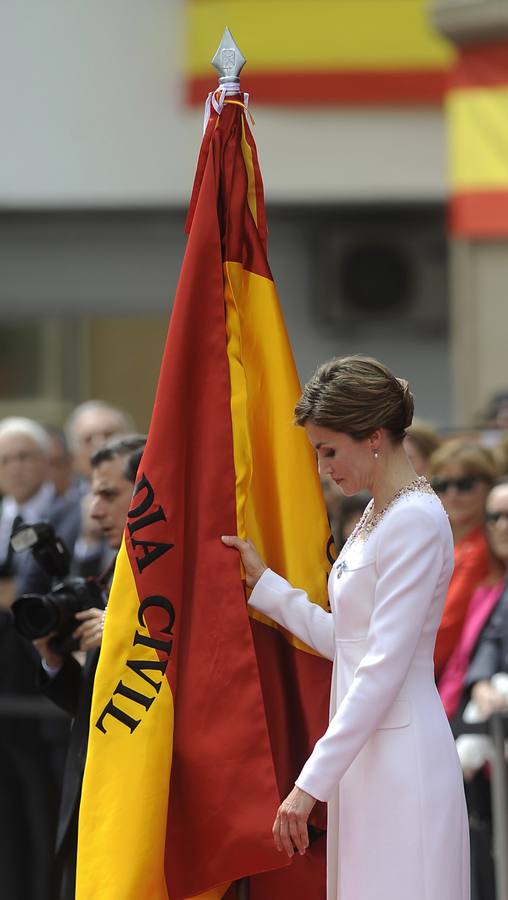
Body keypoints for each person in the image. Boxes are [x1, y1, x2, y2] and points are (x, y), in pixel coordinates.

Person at [223, 355, 469, 900]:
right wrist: (265, 584)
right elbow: (350, 642)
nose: (323, 468)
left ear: (374, 436)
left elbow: (381, 667)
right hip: (365, 756)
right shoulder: (378, 517)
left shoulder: (415, 520)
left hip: (403, 761)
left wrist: (308, 784)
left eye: (329, 450)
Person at [34, 434, 146, 900]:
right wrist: (54, 659)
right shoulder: (111, 571)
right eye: (90, 494)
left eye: (107, 494)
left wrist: (127, 633)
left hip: (143, 802)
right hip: (92, 796)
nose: (94, 511)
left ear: (145, 493)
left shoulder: (179, 582)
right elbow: (90, 706)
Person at [439, 479, 508, 900]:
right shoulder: (496, 585)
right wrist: (481, 682)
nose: (501, 525)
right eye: (495, 516)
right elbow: (491, 641)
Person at [430, 439, 497, 680]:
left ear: (490, 486)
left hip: (458, 676)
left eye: (465, 484)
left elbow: (446, 626)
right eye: (441, 484)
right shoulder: (440, 542)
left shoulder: (483, 548)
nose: (452, 493)